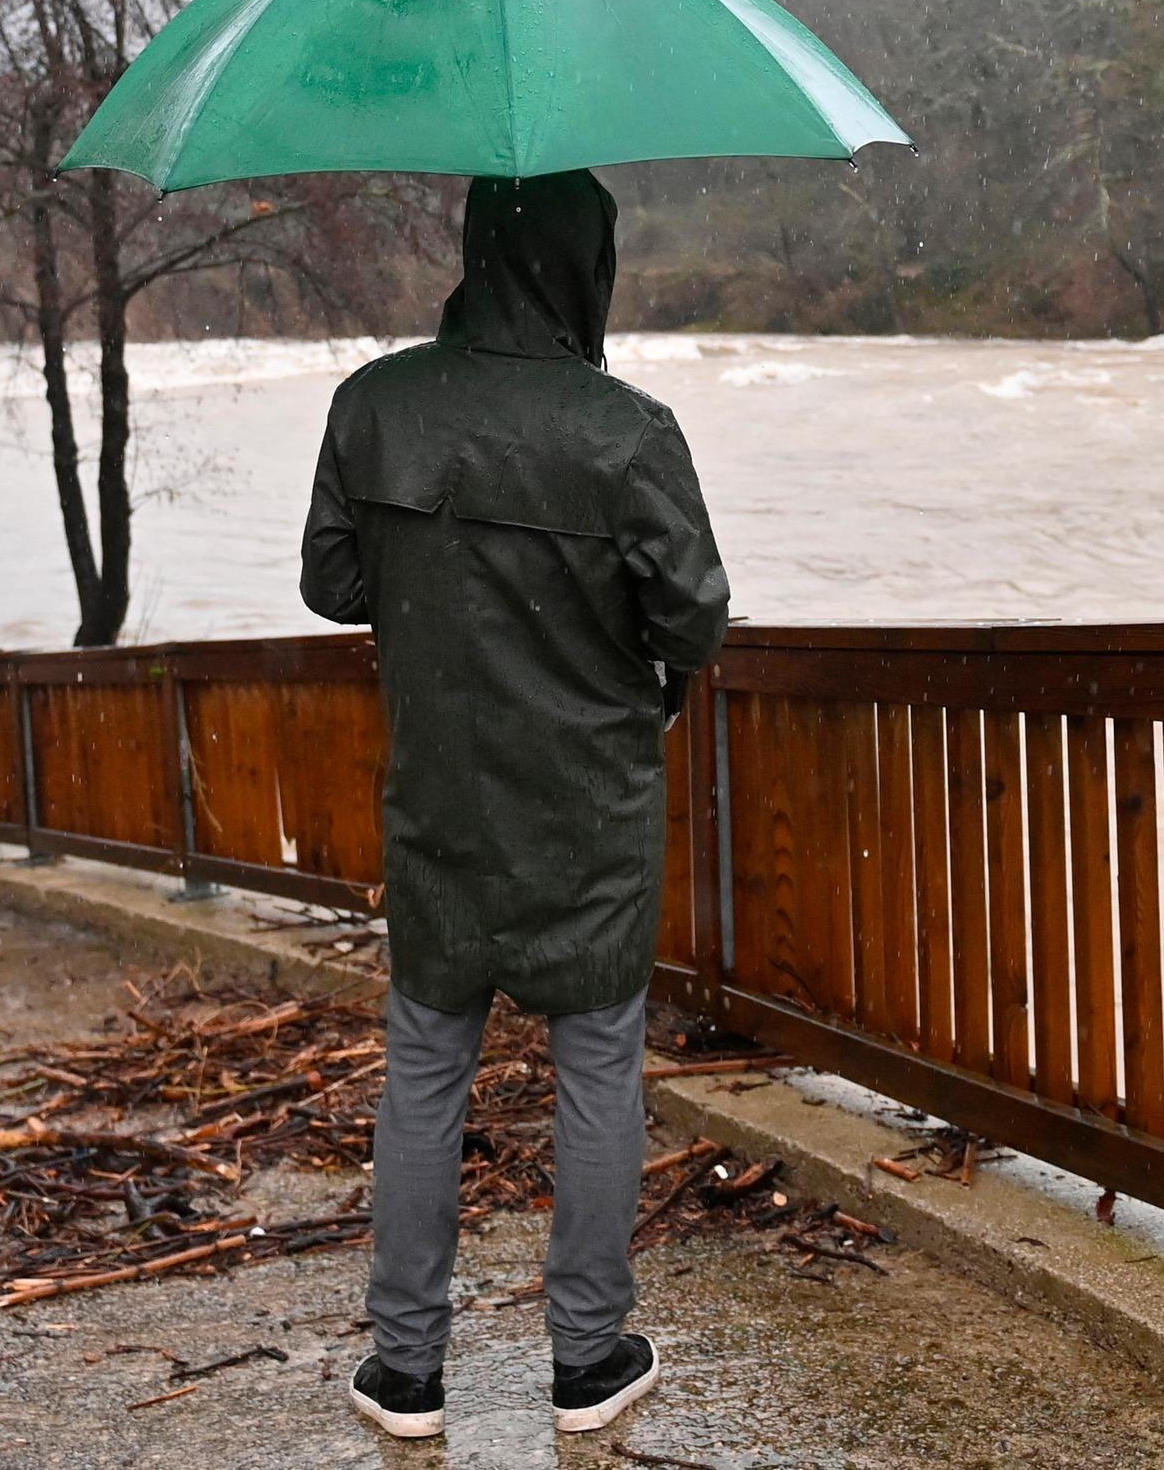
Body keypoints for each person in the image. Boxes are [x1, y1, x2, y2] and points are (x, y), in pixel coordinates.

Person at [299, 168, 729, 1440]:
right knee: (597, 1067)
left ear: (477, 248)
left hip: (441, 795)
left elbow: (333, 581)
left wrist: (443, 586)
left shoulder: (372, 407)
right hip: (588, 805)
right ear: (587, 267)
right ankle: (587, 1360)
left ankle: (408, 1370)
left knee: (426, 1069)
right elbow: (694, 619)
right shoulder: (627, 431)